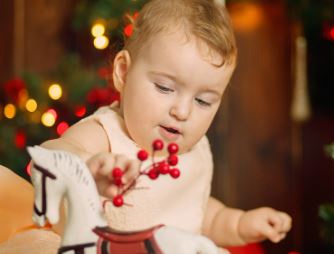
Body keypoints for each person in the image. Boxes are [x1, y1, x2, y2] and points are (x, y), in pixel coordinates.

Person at [39, 0, 291, 252]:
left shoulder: (195, 151)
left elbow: (200, 215)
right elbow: (52, 153)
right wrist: (87, 166)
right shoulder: (106, 133)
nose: (182, 111)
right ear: (124, 72)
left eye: (203, 101)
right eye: (164, 88)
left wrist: (239, 224)